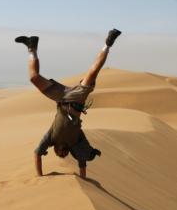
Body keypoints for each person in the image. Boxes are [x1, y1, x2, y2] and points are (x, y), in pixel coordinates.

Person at [15, 29, 122, 178]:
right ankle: (108, 44)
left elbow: (37, 153)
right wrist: (84, 178)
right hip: (77, 99)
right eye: (65, 155)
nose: (63, 154)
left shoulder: (51, 137)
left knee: (34, 78)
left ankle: (31, 47)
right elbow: (82, 162)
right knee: (93, 72)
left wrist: (40, 177)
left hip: (61, 97)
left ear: (54, 149)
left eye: (60, 154)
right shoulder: (75, 142)